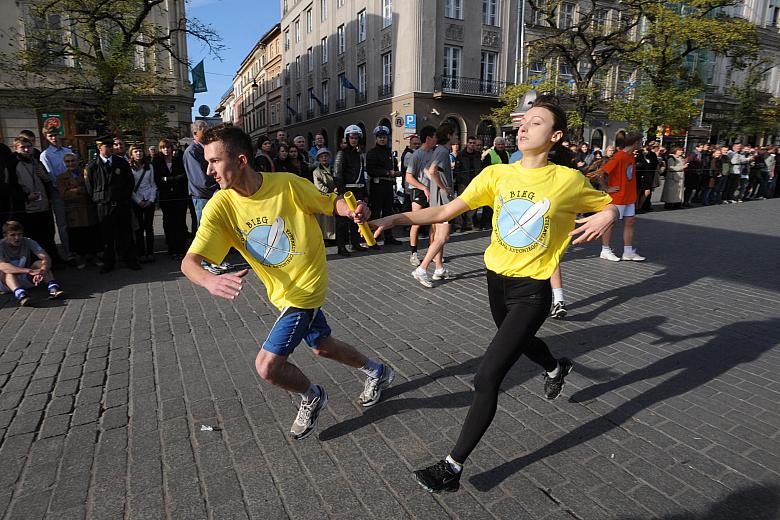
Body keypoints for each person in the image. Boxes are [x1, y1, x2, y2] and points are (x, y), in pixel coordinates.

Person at [370, 97, 618, 493]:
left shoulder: (567, 181)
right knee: (519, 342)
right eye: (524, 121)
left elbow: (609, 205)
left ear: (554, 136)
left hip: (532, 290)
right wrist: (394, 218)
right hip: (495, 282)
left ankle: (452, 467)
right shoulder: (496, 174)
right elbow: (443, 212)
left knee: (487, 377)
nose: (524, 127)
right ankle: (556, 368)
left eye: (536, 123)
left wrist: (610, 213)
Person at [181, 124, 395, 440]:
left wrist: (352, 210)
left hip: (305, 288)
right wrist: (208, 281)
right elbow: (189, 262)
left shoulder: (288, 185)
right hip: (281, 294)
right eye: (206, 161)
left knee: (267, 366)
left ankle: (312, 395)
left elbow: (329, 203)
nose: (208, 170)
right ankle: (378, 371)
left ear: (241, 161)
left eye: (215, 161)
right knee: (322, 346)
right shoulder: (220, 206)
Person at [85, 135, 140, 273]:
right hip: (104, 205)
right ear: (99, 147)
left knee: (126, 233)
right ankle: (108, 262)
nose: (110, 149)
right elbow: (90, 187)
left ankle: (130, 260)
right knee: (107, 236)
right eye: (107, 146)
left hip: (121, 204)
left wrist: (124, 197)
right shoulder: (92, 166)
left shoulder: (120, 163)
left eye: (111, 146)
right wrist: (101, 199)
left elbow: (129, 182)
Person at [410, 123, 455, 287]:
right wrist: (444, 188)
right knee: (443, 236)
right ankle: (422, 269)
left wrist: (436, 187)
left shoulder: (438, 150)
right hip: (443, 200)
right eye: (455, 134)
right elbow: (431, 171)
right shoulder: (443, 150)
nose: (457, 138)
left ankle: (439, 269)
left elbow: (427, 170)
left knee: (438, 235)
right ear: (449, 135)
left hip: (437, 199)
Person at [6, 137, 59, 263]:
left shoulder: (37, 161)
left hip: (44, 206)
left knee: (48, 236)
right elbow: (10, 187)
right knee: (32, 237)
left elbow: (47, 181)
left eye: (29, 146)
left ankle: (53, 261)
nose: (26, 149)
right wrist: (25, 197)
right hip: (27, 209)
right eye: (22, 147)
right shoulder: (12, 164)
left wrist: (45, 177)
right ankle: (36, 263)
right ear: (16, 148)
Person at [595, 131, 646, 262]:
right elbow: (602, 173)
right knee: (610, 223)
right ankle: (605, 250)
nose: (642, 144)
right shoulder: (619, 157)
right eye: (641, 141)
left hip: (629, 196)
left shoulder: (631, 157)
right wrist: (607, 188)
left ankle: (628, 252)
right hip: (618, 197)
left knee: (630, 222)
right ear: (635, 143)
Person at [0, 221, 65, 306]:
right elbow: (2, 266)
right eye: (13, 235)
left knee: (40, 263)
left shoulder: (28, 241)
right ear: (5, 236)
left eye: (20, 234)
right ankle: (21, 295)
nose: (17, 238)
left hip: (26, 278)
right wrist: (29, 271)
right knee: (6, 272)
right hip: (7, 284)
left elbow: (46, 257)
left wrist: (42, 271)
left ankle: (53, 288)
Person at [56, 153, 101, 269]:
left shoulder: (86, 173)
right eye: (68, 161)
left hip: (88, 209)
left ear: (77, 161)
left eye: (73, 161)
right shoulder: (61, 177)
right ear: (64, 163)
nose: (71, 163)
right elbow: (64, 195)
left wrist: (76, 190)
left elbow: (91, 191)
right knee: (77, 235)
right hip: (74, 211)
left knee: (91, 233)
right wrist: (81, 191)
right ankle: (80, 258)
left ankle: (93, 255)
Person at [404, 126, 437, 267]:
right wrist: (423, 188)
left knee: (434, 223)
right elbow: (408, 177)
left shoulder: (435, 153)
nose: (436, 139)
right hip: (419, 191)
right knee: (416, 223)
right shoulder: (416, 155)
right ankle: (414, 253)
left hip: (433, 191)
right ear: (428, 138)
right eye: (435, 136)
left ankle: (432, 251)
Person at [333, 125, 369, 253]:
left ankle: (355, 243)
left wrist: (365, 193)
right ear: (347, 138)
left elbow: (362, 175)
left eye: (356, 138)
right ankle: (341, 247)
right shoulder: (341, 153)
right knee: (342, 221)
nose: (354, 140)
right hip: (346, 191)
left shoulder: (359, 155)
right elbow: (337, 175)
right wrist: (342, 194)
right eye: (351, 137)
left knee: (356, 219)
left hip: (358, 190)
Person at [39, 126, 73, 260]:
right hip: (58, 192)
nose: (54, 138)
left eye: (55, 135)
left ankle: (79, 249)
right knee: (63, 224)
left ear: (59, 135)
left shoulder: (67, 151)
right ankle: (69, 252)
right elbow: (51, 175)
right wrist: (63, 189)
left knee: (75, 221)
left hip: (73, 189)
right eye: (50, 136)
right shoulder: (45, 155)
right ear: (46, 138)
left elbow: (73, 169)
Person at [153, 138, 189, 260]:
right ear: (160, 149)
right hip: (166, 197)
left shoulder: (178, 160)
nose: (166, 150)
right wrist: (172, 179)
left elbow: (183, 176)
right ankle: (172, 248)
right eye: (163, 148)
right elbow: (157, 179)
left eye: (168, 147)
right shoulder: (157, 161)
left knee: (180, 222)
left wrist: (167, 179)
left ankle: (182, 248)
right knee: (168, 222)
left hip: (180, 195)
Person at [366, 125, 401, 246]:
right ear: (376, 139)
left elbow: (394, 167)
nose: (382, 139)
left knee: (388, 212)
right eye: (380, 137)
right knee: (376, 212)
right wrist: (387, 172)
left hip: (388, 185)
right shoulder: (372, 153)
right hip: (377, 185)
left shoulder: (390, 153)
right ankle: (373, 238)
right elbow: (370, 170)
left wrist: (396, 172)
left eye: (384, 137)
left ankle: (389, 237)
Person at [129, 145, 157, 263]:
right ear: (132, 154)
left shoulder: (149, 166)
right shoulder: (129, 168)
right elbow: (129, 187)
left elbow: (153, 184)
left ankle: (150, 252)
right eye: (136, 151)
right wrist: (138, 201)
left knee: (149, 227)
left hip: (149, 199)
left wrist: (151, 199)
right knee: (139, 228)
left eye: (140, 151)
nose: (138, 153)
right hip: (137, 200)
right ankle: (140, 252)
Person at [479, 136, 509, 230]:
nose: (500, 146)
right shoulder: (490, 154)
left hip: (502, 181)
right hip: (491, 181)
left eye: (502, 144)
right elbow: (485, 168)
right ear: (495, 145)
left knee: (499, 202)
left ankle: (496, 221)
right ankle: (485, 223)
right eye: (499, 144)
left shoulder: (507, 153)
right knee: (488, 204)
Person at [453, 135, 482, 231]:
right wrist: (460, 181)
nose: (472, 145)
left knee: (473, 204)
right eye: (470, 143)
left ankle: (469, 223)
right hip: (463, 183)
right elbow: (457, 170)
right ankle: (459, 225)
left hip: (475, 183)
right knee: (461, 204)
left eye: (474, 143)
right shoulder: (461, 155)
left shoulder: (477, 154)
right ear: (467, 143)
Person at [311, 148, 337, 245]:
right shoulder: (316, 172)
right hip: (324, 197)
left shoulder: (335, 168)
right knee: (326, 220)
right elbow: (319, 186)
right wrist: (331, 191)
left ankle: (337, 237)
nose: (324, 158)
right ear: (318, 159)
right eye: (321, 157)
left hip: (336, 196)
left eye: (326, 156)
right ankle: (328, 238)